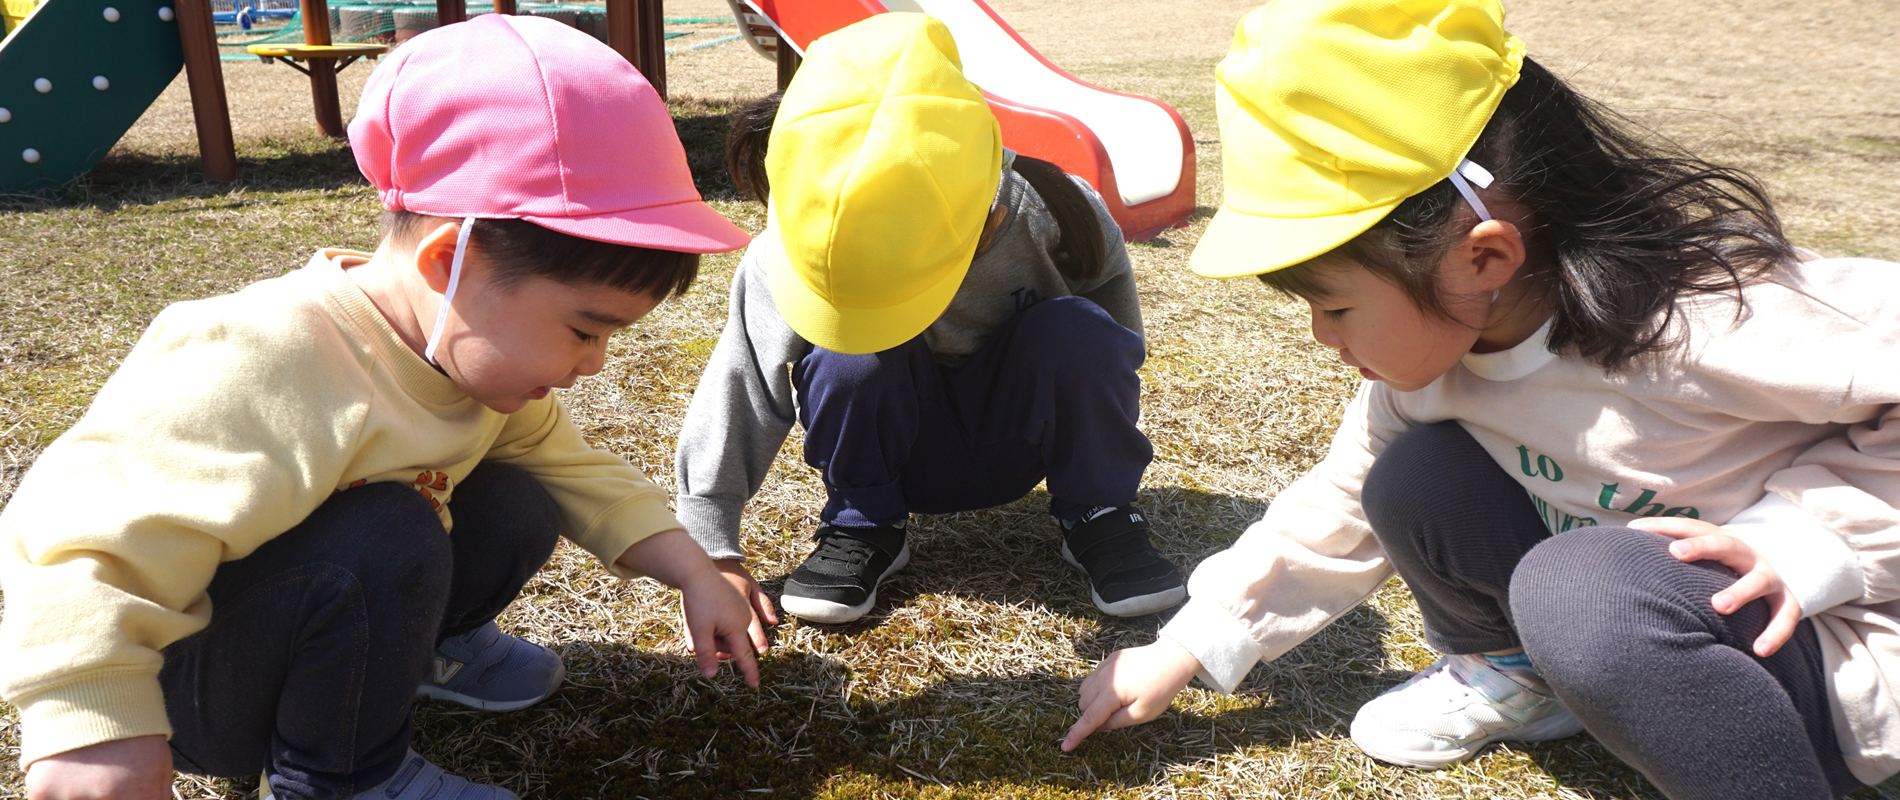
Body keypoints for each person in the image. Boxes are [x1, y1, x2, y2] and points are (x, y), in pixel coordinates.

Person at [1060, 1, 1900, 798]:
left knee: (1579, 587)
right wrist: (1185, 646)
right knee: (1408, 474)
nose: (1322, 335)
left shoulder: (1706, 318)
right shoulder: (1442, 369)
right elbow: (1339, 502)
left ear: (1484, 259)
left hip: (1822, 660)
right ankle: (1528, 678)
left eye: (1337, 305)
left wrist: (1800, 540)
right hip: (1638, 624)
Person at [2, 16, 762, 800]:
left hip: (309, 627)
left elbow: (579, 471)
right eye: (584, 329)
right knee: (388, 526)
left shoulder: (472, 368)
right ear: (446, 262)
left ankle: (421, 655)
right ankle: (343, 779)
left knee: (522, 497)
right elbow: (86, 539)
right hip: (190, 691)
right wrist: (93, 728)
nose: (591, 365)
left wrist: (693, 571)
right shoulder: (262, 353)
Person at [674, 13, 1186, 627]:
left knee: (1076, 330)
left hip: (1019, 443)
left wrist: (1099, 460)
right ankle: (866, 524)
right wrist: (710, 548)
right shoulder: (789, 250)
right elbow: (744, 384)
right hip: (889, 454)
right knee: (851, 349)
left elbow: (1113, 346)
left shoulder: (1057, 210)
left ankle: (1099, 515)